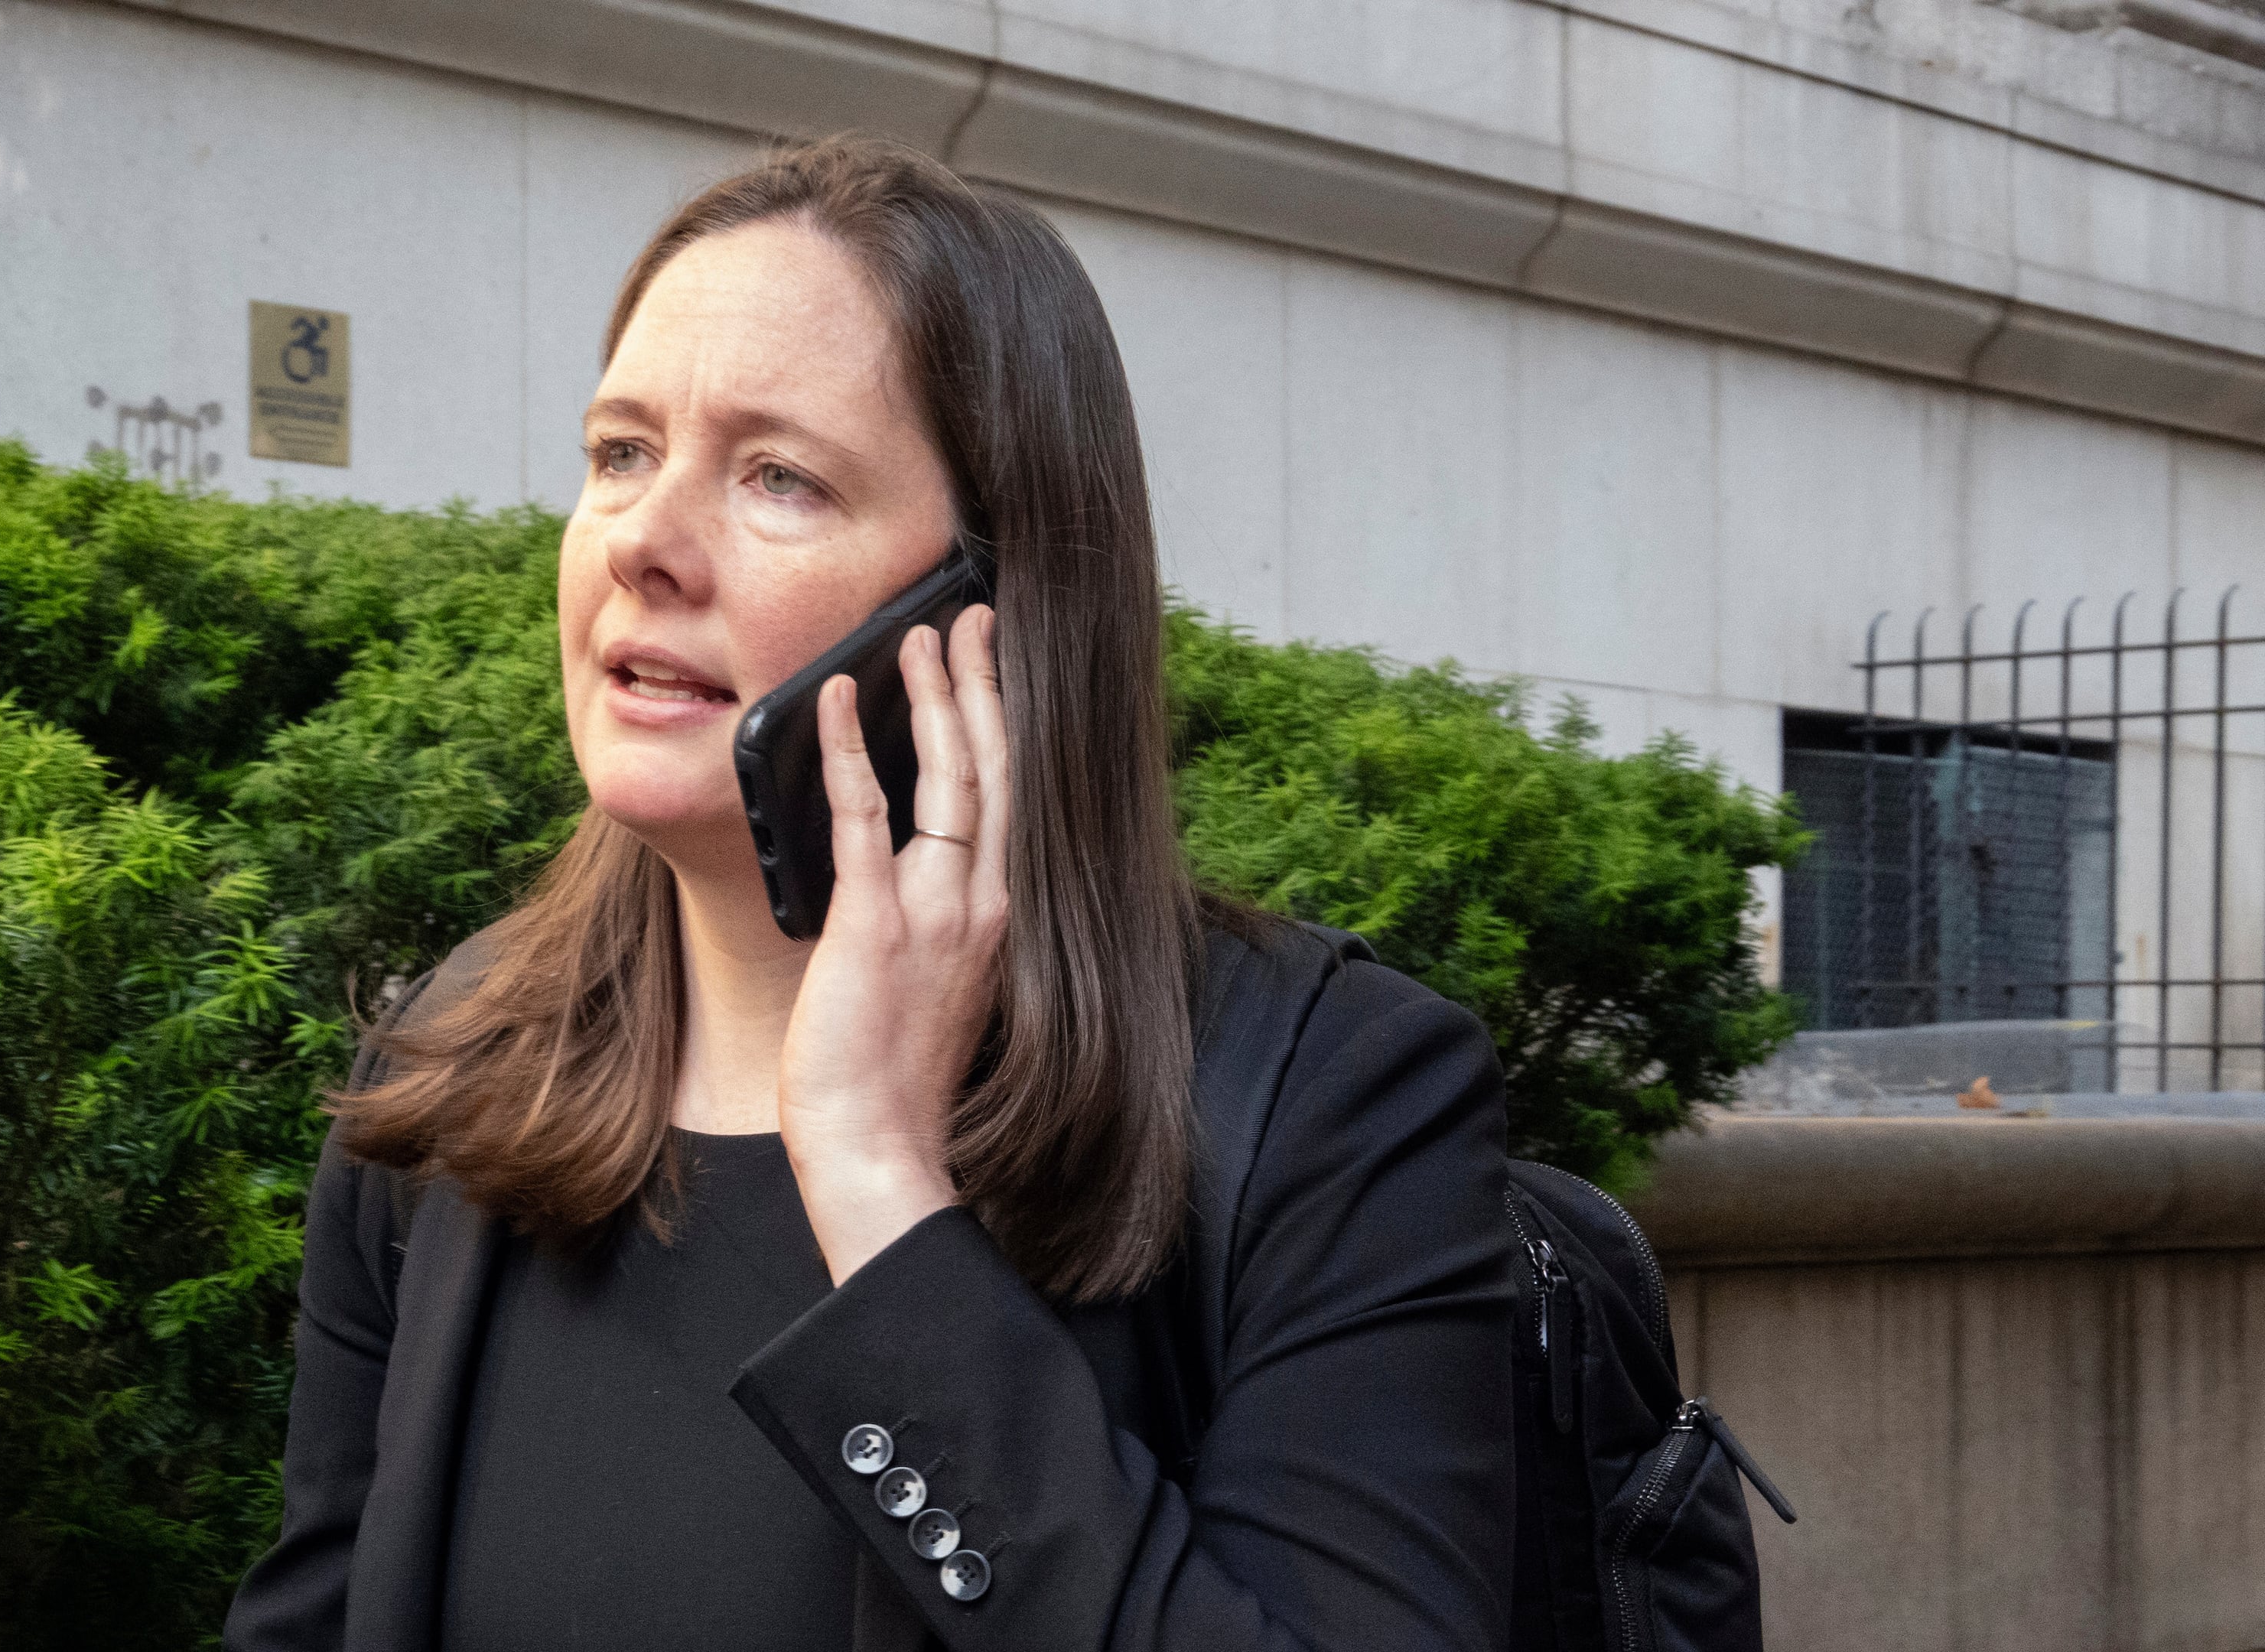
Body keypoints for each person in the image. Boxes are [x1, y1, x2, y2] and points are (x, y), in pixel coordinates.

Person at [223, 135, 1513, 1652]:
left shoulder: (1330, 1101)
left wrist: (881, 1190)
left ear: (989, 609)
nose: (641, 543)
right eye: (620, 452)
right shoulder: (443, 1078)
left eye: (779, 476)